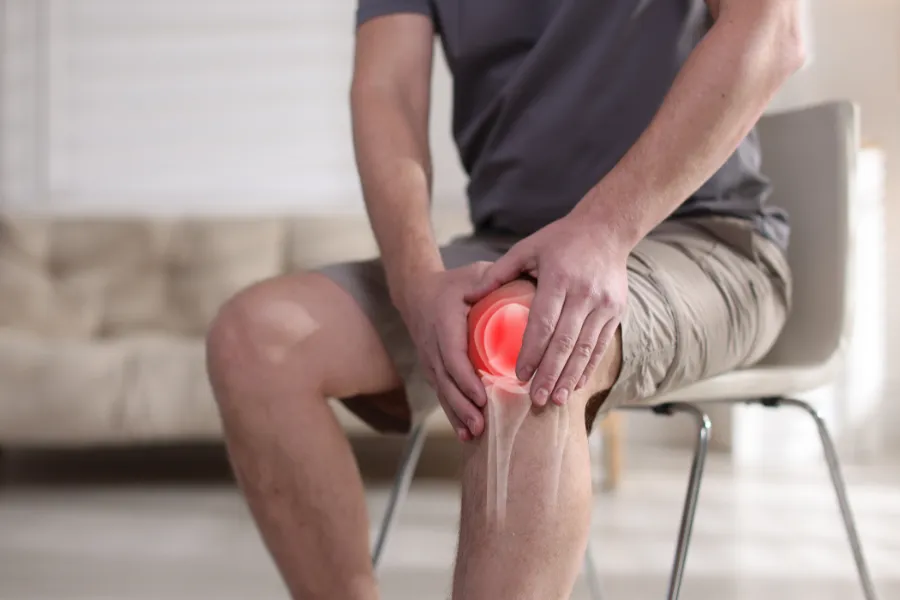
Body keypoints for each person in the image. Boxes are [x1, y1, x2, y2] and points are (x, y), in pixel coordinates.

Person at [205, 0, 803, 597]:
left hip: (696, 232)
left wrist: (603, 229)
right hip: (503, 246)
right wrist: (415, 283)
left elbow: (774, 31)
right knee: (256, 340)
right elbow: (387, 90)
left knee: (520, 340)